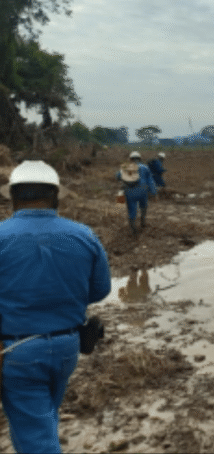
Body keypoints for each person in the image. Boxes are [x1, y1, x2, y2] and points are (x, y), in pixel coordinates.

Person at [0, 160, 111, 453]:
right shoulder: (84, 235)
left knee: (35, 436)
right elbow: (100, 290)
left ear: (12, 197)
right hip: (67, 347)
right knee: (45, 416)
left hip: (17, 352)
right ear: (56, 196)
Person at [116, 151, 156, 234]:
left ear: (130, 159)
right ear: (140, 158)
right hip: (143, 191)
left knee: (132, 209)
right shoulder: (145, 167)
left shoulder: (126, 167)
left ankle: (133, 226)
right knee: (143, 206)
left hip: (130, 192)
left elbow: (118, 176)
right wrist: (153, 192)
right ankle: (143, 221)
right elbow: (150, 181)